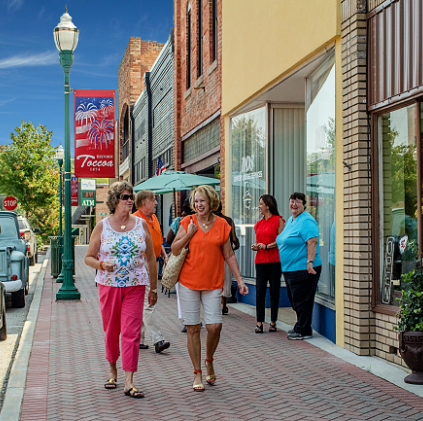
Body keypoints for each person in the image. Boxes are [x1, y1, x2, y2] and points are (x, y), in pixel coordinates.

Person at [172, 185, 249, 392]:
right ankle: (197, 373)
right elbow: (175, 248)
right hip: (188, 282)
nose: (198, 205)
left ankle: (209, 359)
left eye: (202, 201)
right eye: (196, 201)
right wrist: (188, 234)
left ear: (211, 202)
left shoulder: (223, 224)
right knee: (193, 327)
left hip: (213, 282)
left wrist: (240, 280)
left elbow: (229, 255)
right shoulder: (187, 222)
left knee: (215, 326)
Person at [85, 181, 157, 398]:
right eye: (126, 196)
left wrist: (153, 288)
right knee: (111, 331)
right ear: (115, 200)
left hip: (136, 285)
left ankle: (129, 380)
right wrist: (101, 265)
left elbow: (152, 258)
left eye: (131, 196)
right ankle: (112, 370)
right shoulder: (102, 226)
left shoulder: (141, 225)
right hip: (109, 286)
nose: (129, 200)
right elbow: (88, 257)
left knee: (131, 332)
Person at [276, 192, 322, 340]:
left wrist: (309, 262)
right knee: (295, 300)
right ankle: (300, 325)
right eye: (292, 201)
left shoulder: (307, 221)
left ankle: (304, 330)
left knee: (302, 300)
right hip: (291, 269)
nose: (294, 204)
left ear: (303, 205)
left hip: (304, 268)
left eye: (298, 202)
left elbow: (312, 242)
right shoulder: (291, 219)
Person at [133, 190, 170, 353]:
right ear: (143, 203)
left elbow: (156, 239)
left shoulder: (153, 217)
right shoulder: (134, 220)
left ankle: (138, 339)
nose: (156, 203)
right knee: (149, 300)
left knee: (142, 302)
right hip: (141, 264)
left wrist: (163, 253)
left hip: (154, 262)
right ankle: (158, 339)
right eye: (153, 200)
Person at [251, 195, 285, 333]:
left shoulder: (278, 221)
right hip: (260, 261)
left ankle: (273, 321)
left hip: (274, 261)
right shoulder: (258, 224)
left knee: (274, 291)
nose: (259, 206)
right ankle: (259, 322)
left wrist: (266, 246)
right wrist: (256, 246)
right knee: (260, 292)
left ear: (268, 206)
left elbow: (281, 240)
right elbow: (259, 241)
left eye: (261, 204)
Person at [213, 202, 240, 315]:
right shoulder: (228, 220)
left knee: (214, 280)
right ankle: (224, 306)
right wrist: (235, 245)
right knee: (226, 281)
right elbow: (234, 238)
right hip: (226, 255)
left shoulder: (209, 220)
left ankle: (214, 305)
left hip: (213, 256)